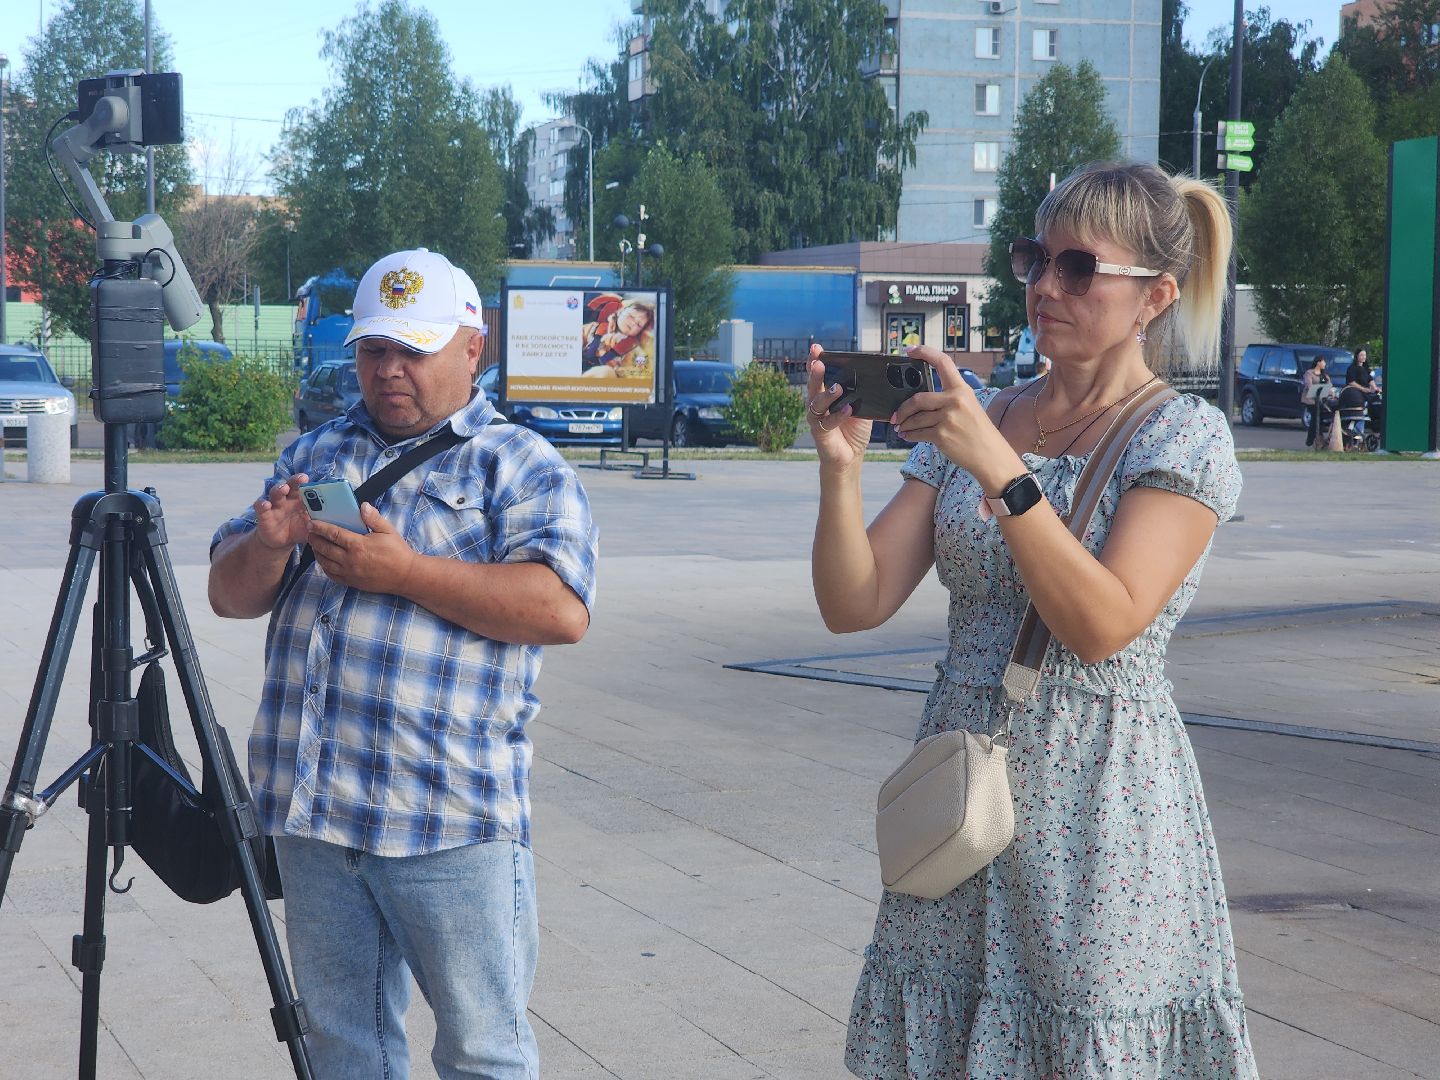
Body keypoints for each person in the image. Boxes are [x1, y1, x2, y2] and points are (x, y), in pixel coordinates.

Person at [807, 162, 1258, 1078]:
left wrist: (1001, 472)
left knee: (1081, 1044)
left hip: (1099, 806)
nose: (1047, 286)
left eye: (1079, 267)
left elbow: (1103, 623)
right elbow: (854, 602)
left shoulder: (1182, 435)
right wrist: (839, 468)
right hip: (962, 792)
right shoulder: (985, 416)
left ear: (1155, 297)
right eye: (1036, 259)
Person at [208, 248, 598, 1079]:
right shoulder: (315, 453)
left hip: (447, 819)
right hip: (315, 814)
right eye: (375, 349)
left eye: (414, 350)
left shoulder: (521, 464)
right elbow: (228, 596)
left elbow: (561, 611)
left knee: (483, 1052)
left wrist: (408, 572)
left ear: (473, 348)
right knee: (343, 1049)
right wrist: (269, 546)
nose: (389, 371)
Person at [581, 293, 656, 378]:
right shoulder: (594, 327)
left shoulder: (631, 348)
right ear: (621, 311)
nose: (633, 323)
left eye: (639, 325)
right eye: (631, 316)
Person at [1300, 356, 1331, 448]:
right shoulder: (1309, 373)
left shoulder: (1324, 375)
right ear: (1318, 362)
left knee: (1321, 418)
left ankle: (1319, 438)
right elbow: (1308, 385)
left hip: (1321, 400)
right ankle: (1310, 439)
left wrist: (1330, 391)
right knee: (1315, 417)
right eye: (1323, 362)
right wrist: (1316, 390)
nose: (1325, 364)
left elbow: (1328, 385)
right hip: (1311, 400)